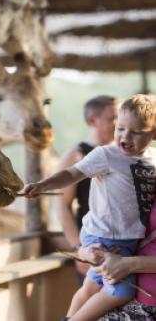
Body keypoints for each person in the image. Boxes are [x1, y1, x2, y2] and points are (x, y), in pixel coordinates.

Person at [24, 94, 156, 321]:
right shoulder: (106, 154)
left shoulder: (152, 160)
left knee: (90, 287)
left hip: (127, 239)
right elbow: (72, 174)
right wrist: (44, 184)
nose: (125, 136)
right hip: (107, 236)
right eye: (120, 128)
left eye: (136, 131)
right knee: (121, 292)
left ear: (153, 134)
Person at [57, 95, 119, 277]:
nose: (118, 123)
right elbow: (62, 205)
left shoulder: (123, 154)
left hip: (123, 247)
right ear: (93, 120)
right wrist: (79, 249)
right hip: (92, 247)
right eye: (112, 118)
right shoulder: (76, 156)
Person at [80, 194, 156, 320]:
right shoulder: (138, 185)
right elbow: (95, 227)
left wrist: (128, 265)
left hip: (145, 306)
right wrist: (85, 251)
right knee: (87, 289)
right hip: (110, 294)